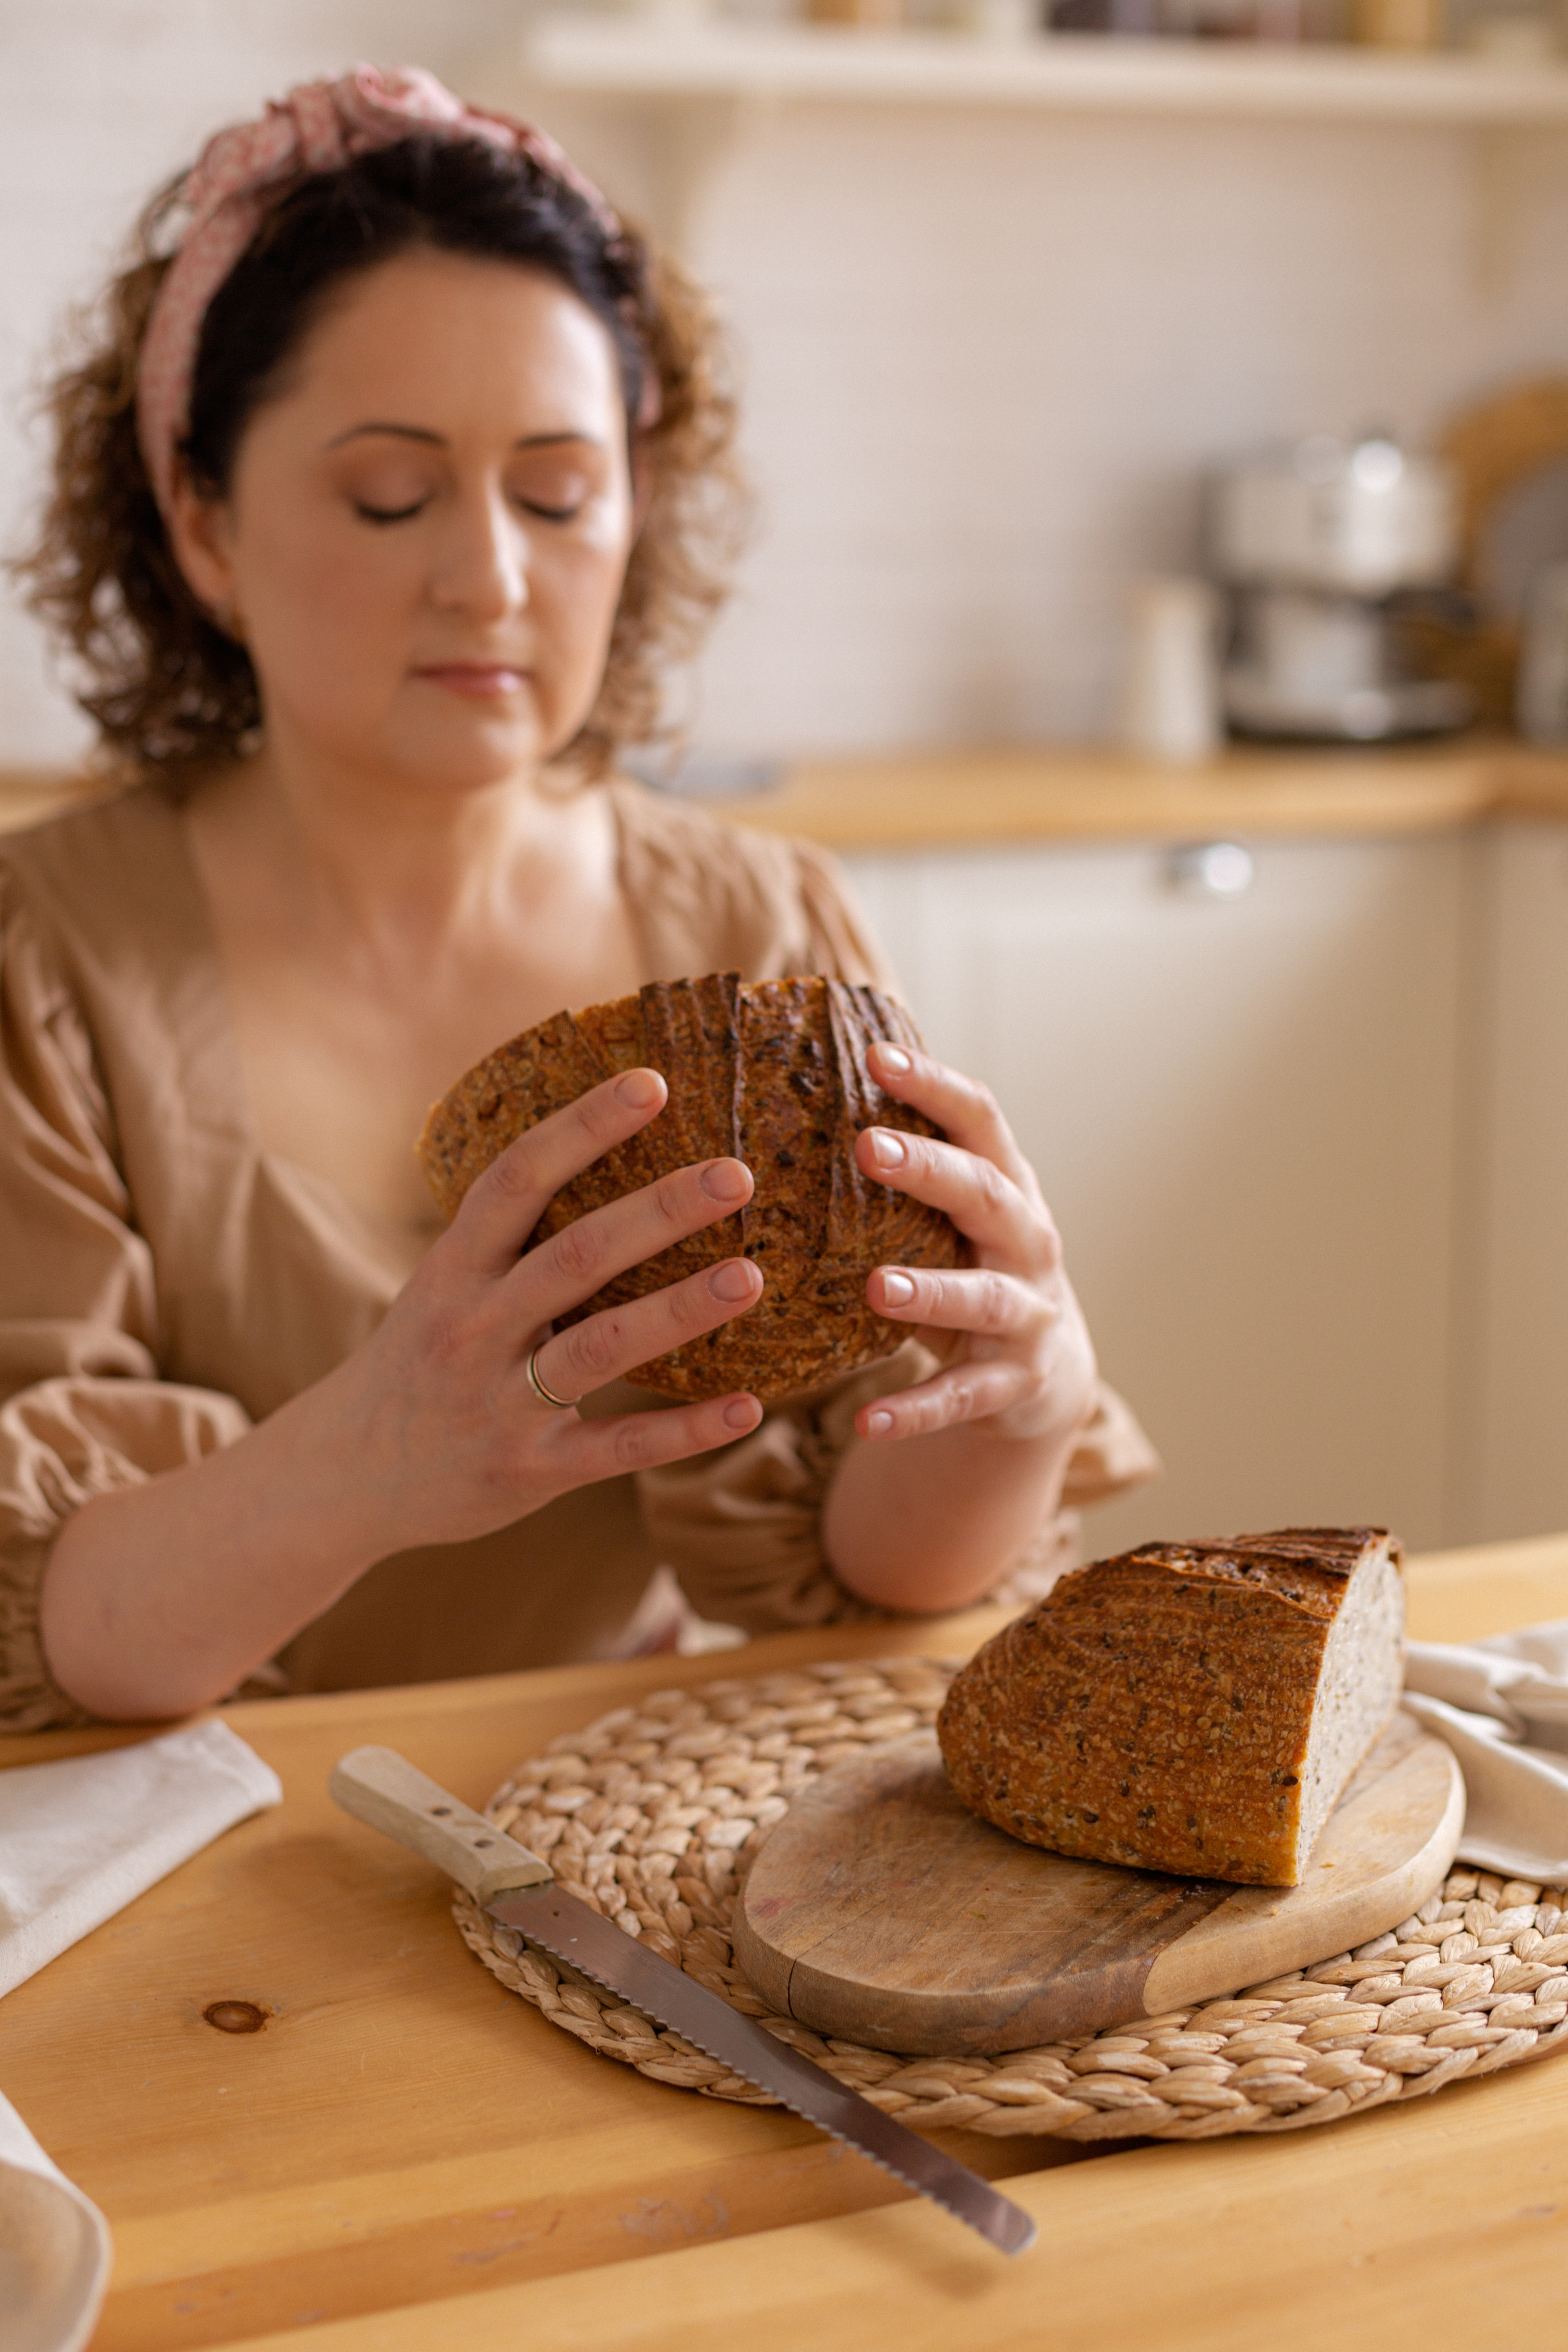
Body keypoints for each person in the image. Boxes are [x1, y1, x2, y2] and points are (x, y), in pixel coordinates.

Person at [0, 67, 1155, 1733]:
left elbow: (885, 1578)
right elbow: (42, 1628)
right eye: (389, 496)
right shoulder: (46, 957)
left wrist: (1017, 1405)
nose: (491, 576)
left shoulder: (763, 943)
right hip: (193, 1868)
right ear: (201, 522)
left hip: (607, 1829)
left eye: (556, 493)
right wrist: (367, 1466)